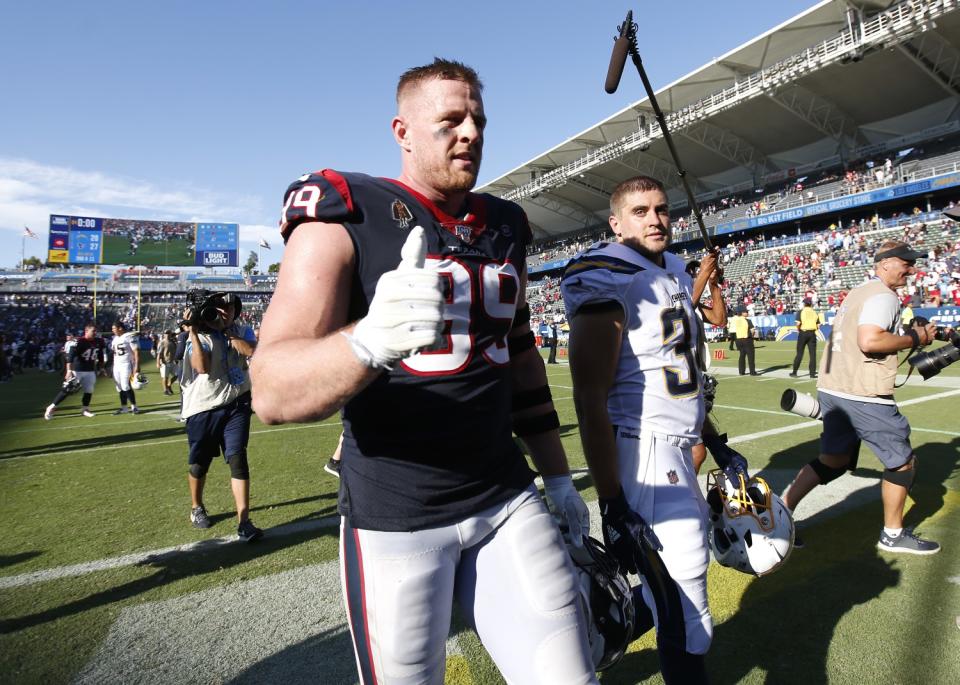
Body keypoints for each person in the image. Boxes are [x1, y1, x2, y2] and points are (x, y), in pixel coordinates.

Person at [252, 58, 598, 684]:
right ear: (403, 131)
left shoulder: (507, 224)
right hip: (397, 515)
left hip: (505, 495)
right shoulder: (346, 210)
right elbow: (272, 389)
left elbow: (521, 361)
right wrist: (367, 341)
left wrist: (560, 478)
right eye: (450, 119)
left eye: (478, 120)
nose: (470, 132)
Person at [562, 176, 743, 684]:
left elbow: (678, 376)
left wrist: (713, 440)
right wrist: (612, 501)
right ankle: (583, 640)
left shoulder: (672, 270)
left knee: (673, 599)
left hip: (678, 449)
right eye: (640, 211)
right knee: (689, 615)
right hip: (643, 453)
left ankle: (593, 633)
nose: (656, 218)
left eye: (661, 209)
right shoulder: (608, 273)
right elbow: (590, 397)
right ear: (616, 224)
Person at [782, 240, 940, 555]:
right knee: (903, 462)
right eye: (906, 263)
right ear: (885, 263)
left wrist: (905, 332)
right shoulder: (884, 296)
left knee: (833, 460)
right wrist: (916, 337)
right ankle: (893, 534)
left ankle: (779, 514)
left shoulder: (859, 292)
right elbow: (869, 340)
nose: (911, 270)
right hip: (862, 392)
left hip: (833, 387)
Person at [181, 291, 262, 541]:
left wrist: (228, 332)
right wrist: (194, 332)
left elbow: (252, 351)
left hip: (237, 403)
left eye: (230, 307)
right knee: (200, 463)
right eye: (220, 308)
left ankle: (244, 522)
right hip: (204, 406)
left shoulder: (241, 329)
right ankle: (196, 506)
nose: (225, 312)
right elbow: (202, 368)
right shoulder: (200, 334)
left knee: (238, 459)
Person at [45, 324, 104, 420]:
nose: (95, 333)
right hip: (77, 370)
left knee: (89, 391)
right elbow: (70, 357)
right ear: (86, 331)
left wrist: (102, 368)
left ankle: (85, 409)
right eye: (93, 331)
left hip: (90, 370)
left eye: (95, 331)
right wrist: (69, 370)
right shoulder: (78, 341)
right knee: (67, 389)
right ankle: (51, 407)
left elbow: (100, 355)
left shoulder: (99, 341)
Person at [110, 321, 141, 414]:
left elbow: (136, 351)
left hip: (126, 364)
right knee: (119, 387)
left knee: (126, 385)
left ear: (120, 328)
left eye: (114, 328)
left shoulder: (129, 336)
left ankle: (134, 407)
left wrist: (137, 365)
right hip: (117, 365)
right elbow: (114, 353)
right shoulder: (115, 339)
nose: (112, 330)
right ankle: (124, 408)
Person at [789, 298, 822, 378]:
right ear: (811, 304)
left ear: (804, 304)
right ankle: (812, 374)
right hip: (812, 333)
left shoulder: (801, 311)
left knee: (800, 353)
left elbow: (798, 323)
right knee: (813, 355)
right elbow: (818, 325)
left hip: (803, 333)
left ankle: (794, 372)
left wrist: (799, 330)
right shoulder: (814, 312)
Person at [731, 308, 757, 375]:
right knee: (751, 356)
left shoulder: (735, 321)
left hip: (738, 340)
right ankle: (752, 372)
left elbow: (733, 330)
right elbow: (753, 330)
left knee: (742, 356)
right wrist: (752, 337)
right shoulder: (748, 320)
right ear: (742, 313)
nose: (747, 313)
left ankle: (741, 371)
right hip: (747, 339)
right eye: (746, 312)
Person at [156, 329, 177, 395]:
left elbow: (175, 351)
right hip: (164, 362)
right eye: (166, 333)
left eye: (168, 333)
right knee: (165, 377)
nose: (167, 334)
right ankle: (165, 390)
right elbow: (159, 353)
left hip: (173, 362)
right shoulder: (161, 342)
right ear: (164, 334)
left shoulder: (173, 342)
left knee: (177, 375)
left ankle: (169, 385)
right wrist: (158, 363)